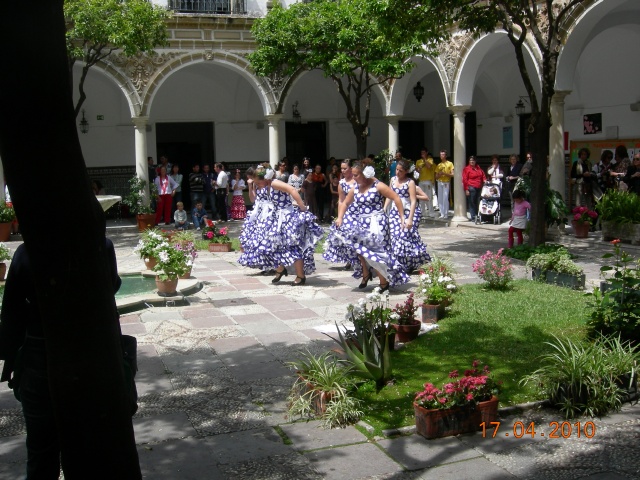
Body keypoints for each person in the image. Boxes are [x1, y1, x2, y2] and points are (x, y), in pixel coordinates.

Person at [0, 239, 121, 478]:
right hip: (89, 354)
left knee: (41, 449)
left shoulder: (28, 251)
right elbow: (112, 286)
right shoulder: (99, 246)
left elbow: (12, 308)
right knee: (87, 447)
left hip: (40, 352)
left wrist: (10, 357)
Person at [238, 165, 323, 285]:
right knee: (275, 245)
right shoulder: (267, 186)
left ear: (264, 179)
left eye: (257, 182)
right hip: (277, 218)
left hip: (287, 217)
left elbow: (292, 190)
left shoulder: (274, 183)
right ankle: (280, 268)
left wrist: (302, 206)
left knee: (292, 246)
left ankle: (300, 276)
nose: (257, 185)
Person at [335, 161, 409, 292]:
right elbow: (345, 203)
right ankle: (367, 274)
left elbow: (396, 198)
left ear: (364, 174)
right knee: (362, 252)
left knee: (378, 253)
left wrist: (402, 217)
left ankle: (383, 283)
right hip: (362, 224)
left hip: (378, 223)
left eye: (356, 175)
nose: (353, 178)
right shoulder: (355, 188)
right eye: (353, 175)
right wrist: (340, 217)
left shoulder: (377, 186)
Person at [385, 160, 431, 273]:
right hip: (395, 211)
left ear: (406, 171)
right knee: (395, 236)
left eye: (400, 171)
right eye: (397, 170)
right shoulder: (392, 180)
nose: (398, 172)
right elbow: (389, 195)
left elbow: (413, 200)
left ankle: (411, 261)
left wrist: (410, 218)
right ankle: (399, 263)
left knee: (406, 235)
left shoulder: (410, 182)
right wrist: (384, 208)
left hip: (409, 210)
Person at [323, 158, 357, 271]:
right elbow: (341, 200)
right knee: (346, 236)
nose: (342, 170)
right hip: (347, 212)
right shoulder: (341, 183)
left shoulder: (358, 181)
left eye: (345, 168)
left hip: (359, 211)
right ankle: (349, 259)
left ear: (351, 168)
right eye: (341, 168)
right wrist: (339, 216)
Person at [462, 155, 486, 222]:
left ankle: (479, 215)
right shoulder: (466, 169)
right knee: (472, 202)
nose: (472, 162)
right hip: (471, 187)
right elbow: (465, 180)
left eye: (473, 160)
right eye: (470, 160)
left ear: (475, 161)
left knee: (478, 202)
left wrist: (485, 180)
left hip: (479, 187)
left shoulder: (478, 168)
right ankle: (473, 217)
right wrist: (466, 189)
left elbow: (483, 175)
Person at [415, 148, 436, 219]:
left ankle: (431, 212)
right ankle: (422, 212)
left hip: (428, 180)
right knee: (421, 197)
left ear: (426, 153)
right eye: (421, 153)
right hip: (421, 180)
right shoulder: (418, 161)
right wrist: (418, 170)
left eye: (424, 152)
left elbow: (429, 166)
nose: (422, 154)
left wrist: (425, 159)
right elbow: (417, 170)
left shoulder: (430, 160)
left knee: (429, 196)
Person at [435, 150, 454, 218]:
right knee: (440, 198)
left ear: (446, 156)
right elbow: (436, 176)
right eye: (440, 155)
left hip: (446, 182)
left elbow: (452, 174)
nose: (441, 156)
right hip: (440, 182)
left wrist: (444, 173)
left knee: (445, 197)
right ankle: (442, 213)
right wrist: (439, 175)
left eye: (443, 154)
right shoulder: (439, 165)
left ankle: (446, 213)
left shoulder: (450, 163)